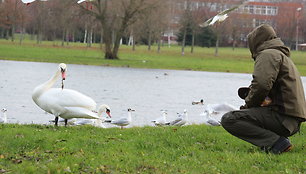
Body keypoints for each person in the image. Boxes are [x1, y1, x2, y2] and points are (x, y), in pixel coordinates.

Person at [221, 24, 306, 154]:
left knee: (229, 119)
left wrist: (248, 106)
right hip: (291, 120)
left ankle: (277, 143)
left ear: (255, 41)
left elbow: (261, 85)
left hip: (282, 118)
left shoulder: (268, 54)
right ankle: (274, 141)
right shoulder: (280, 55)